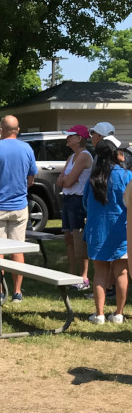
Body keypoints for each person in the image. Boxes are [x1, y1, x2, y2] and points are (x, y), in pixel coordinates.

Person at [0, 115, 37, 302]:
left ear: (1, 129)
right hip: (19, 206)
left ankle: (0, 290)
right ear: (18, 130)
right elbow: (31, 179)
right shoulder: (27, 148)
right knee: (17, 249)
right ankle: (17, 292)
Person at [83, 138, 131, 324]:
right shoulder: (126, 176)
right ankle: (119, 313)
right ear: (115, 154)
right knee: (122, 273)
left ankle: (99, 314)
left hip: (98, 229)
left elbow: (85, 203)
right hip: (121, 230)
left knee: (100, 273)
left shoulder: (93, 178)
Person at [56, 125, 92, 290]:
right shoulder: (71, 157)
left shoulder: (84, 156)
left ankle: (83, 277)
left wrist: (66, 178)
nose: (67, 138)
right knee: (68, 238)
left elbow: (68, 181)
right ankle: (71, 274)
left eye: (70, 136)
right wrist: (66, 178)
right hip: (68, 200)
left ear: (79, 138)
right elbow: (59, 182)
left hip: (78, 201)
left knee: (78, 239)